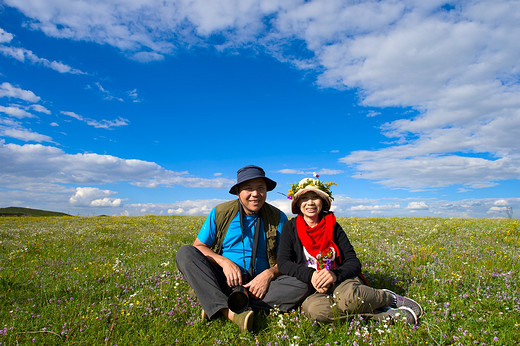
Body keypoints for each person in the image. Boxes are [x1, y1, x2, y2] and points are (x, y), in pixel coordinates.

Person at [175, 165, 310, 332]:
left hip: (259, 288)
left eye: (261, 188)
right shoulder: (220, 212)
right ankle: (231, 312)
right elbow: (199, 247)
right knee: (185, 253)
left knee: (303, 282)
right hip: (223, 279)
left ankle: (215, 302)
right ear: (238, 192)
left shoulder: (278, 217)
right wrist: (223, 262)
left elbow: (287, 259)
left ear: (266, 191)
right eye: (248, 188)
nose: (255, 194)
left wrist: (268, 275)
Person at [277, 176, 423, 325]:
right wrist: (311, 275)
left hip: (341, 280)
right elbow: (283, 263)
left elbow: (353, 262)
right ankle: (384, 316)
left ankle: (388, 298)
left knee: (350, 300)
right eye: (304, 198)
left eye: (315, 197)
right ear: (298, 203)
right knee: (315, 311)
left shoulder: (333, 225)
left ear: (323, 201)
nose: (310, 203)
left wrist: (334, 275)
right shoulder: (291, 227)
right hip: (313, 286)